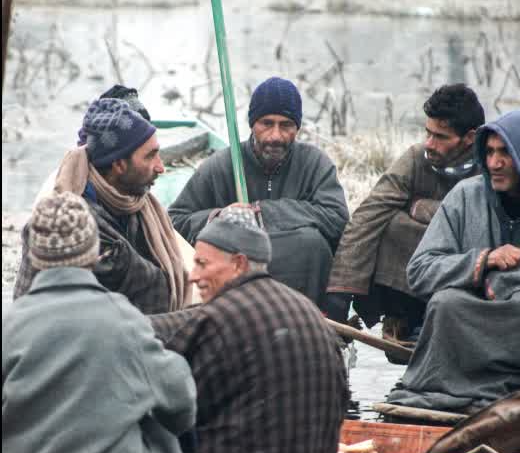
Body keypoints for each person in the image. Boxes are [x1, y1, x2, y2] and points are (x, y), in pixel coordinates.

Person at [3, 194, 196, 453]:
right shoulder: (123, 319)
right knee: (159, 418)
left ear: (36, 258)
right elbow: (183, 404)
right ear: (94, 254)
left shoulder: (9, 328)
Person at [384, 108, 520, 413]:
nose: (494, 163)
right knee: (447, 304)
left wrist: (509, 279)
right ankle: (450, 395)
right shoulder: (464, 196)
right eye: (489, 152)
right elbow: (420, 270)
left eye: (505, 153)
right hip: (472, 316)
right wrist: (483, 262)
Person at [147, 209, 348, 453]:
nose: (193, 276)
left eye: (202, 263)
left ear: (238, 264)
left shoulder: (217, 319)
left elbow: (171, 411)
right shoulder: (307, 309)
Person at [322, 84, 486, 349]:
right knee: (392, 224)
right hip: (416, 282)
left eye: (441, 137)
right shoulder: (416, 158)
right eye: (428, 133)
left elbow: (479, 220)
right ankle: (406, 317)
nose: (429, 144)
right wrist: (340, 292)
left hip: (468, 280)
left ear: (469, 138)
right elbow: (368, 216)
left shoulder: (492, 164)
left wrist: (425, 208)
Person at [169, 77, 349, 305]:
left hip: (301, 290)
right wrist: (221, 217)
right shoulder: (223, 164)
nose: (275, 136)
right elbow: (175, 221)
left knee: (312, 243)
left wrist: (261, 213)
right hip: (234, 285)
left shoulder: (314, 163)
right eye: (266, 123)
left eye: (286, 125)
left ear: (298, 127)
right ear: (252, 124)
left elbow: (337, 218)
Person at [14, 98, 191, 314]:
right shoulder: (71, 223)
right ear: (119, 164)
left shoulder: (135, 203)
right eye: (150, 156)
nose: (161, 167)